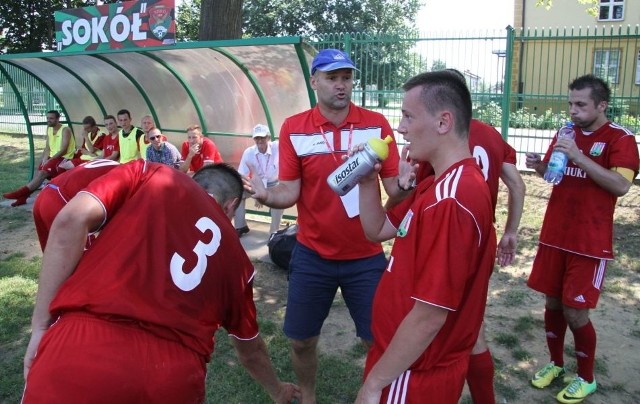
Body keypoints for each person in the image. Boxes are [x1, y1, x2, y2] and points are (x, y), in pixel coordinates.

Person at [22, 161, 300, 403]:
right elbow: (250, 349)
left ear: (194, 181)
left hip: (82, 347)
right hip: (173, 372)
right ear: (232, 206)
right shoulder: (240, 263)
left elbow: (71, 219)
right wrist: (277, 391)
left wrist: (40, 326)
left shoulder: (152, 174)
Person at [245, 48, 405, 403]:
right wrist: (267, 195)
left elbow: (394, 187)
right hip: (312, 254)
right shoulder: (293, 128)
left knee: (377, 340)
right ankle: (309, 396)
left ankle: (374, 394)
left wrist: (410, 180)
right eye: (332, 78)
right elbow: (289, 190)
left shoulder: (375, 124)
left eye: (346, 77)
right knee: (301, 340)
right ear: (314, 81)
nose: (341, 85)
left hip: (365, 255)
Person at [353, 70, 497, 403]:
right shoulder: (436, 185)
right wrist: (365, 181)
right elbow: (377, 230)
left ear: (443, 122)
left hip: (412, 371)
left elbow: (430, 314)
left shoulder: (452, 199)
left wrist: (375, 384)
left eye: (407, 116)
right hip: (402, 362)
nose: (400, 127)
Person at [406, 69, 526, 404]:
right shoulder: (491, 135)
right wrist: (510, 231)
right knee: (472, 326)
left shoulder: (437, 141)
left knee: (441, 324)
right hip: (481, 237)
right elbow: (517, 184)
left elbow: (418, 193)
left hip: (445, 234)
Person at [525, 74, 639, 403]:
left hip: (589, 243)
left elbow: (620, 186)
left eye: (581, 104)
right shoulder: (567, 133)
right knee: (552, 304)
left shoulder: (620, 139)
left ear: (602, 105)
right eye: (570, 103)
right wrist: (540, 166)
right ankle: (556, 364)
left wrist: (578, 156)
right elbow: (553, 175)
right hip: (554, 235)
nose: (573, 110)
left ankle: (586, 378)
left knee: (576, 312)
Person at [32, 159, 120, 251]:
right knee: (89, 256)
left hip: (44, 195)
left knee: (52, 256)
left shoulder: (112, 164)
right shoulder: (122, 177)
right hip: (60, 200)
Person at [3, 110, 76, 207]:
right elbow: (47, 147)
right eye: (47, 118)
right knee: (40, 171)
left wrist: (50, 160)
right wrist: (45, 159)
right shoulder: (49, 128)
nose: (48, 120)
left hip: (64, 157)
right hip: (52, 157)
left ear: (58, 119)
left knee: (42, 173)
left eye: (51, 118)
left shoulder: (65, 129)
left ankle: (19, 193)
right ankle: (23, 198)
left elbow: (63, 149)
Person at [234, 124, 283, 236]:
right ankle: (240, 226)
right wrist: (256, 191)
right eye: (257, 138)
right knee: (238, 193)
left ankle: (274, 232)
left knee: (281, 201)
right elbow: (241, 175)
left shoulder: (277, 147)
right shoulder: (249, 152)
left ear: (269, 137)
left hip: (274, 185)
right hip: (255, 185)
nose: (259, 140)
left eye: (263, 137)